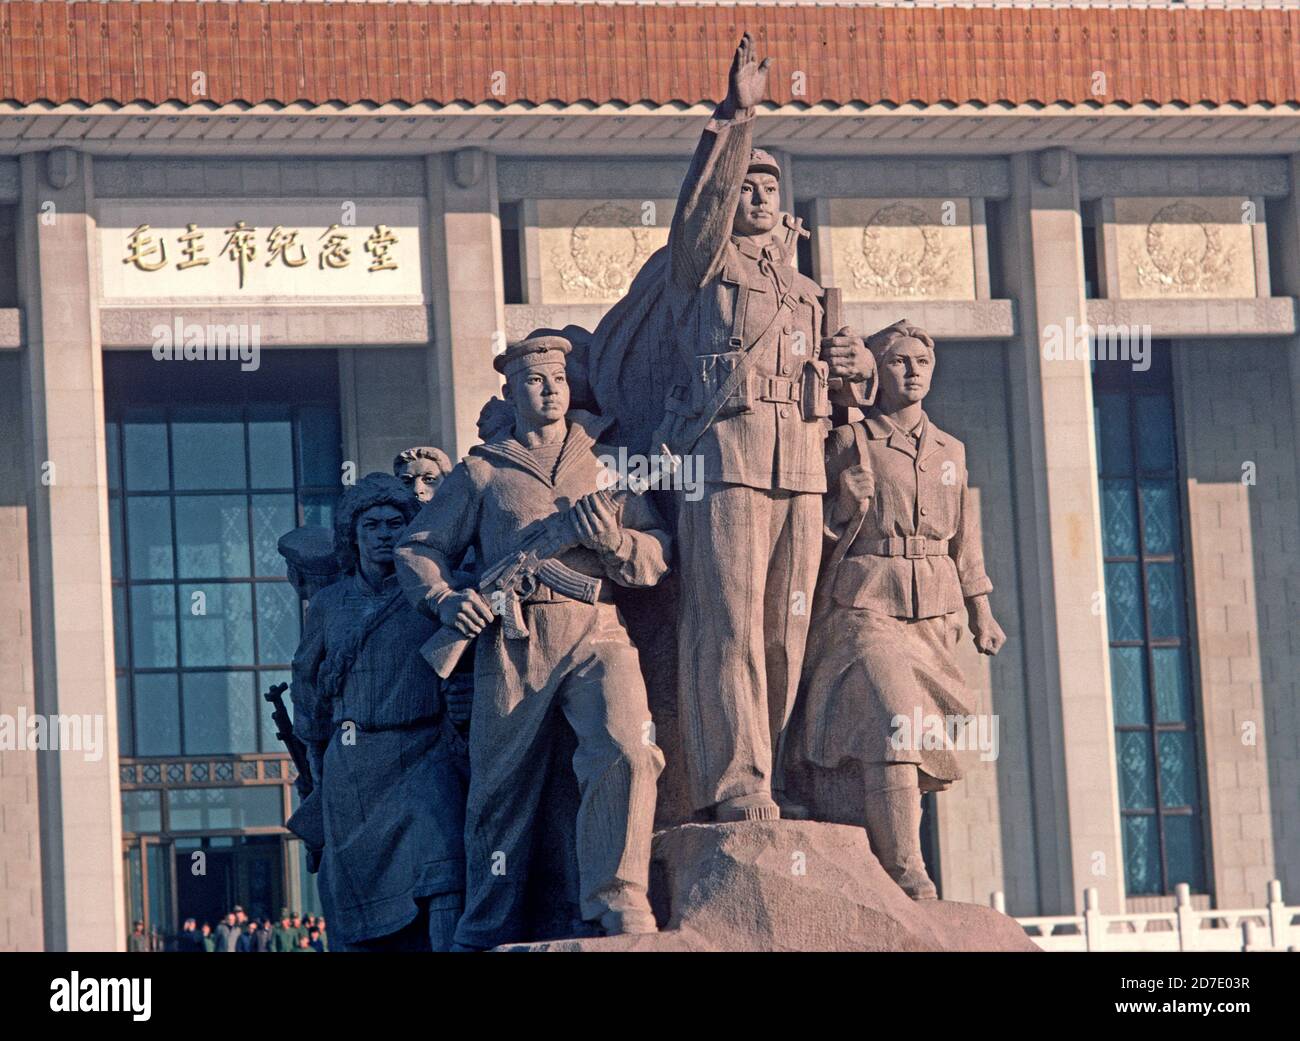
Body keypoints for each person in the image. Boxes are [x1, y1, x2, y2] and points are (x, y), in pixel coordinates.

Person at [572, 34, 875, 824]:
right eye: (747, 186)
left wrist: (854, 373)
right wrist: (736, 117)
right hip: (725, 458)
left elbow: (839, 399)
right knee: (728, 625)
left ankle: (771, 774)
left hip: (798, 465)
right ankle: (731, 782)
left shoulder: (808, 291)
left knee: (786, 630)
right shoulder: (701, 269)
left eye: (770, 186)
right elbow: (698, 211)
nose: (759, 197)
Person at [396, 334, 669, 949]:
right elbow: (418, 548)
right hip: (515, 639)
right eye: (535, 381)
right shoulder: (482, 471)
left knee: (627, 749)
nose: (550, 391)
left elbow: (655, 553)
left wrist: (615, 544)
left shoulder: (609, 463)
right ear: (510, 391)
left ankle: (619, 899)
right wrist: (444, 599)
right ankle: (486, 924)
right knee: (500, 790)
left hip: (598, 629)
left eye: (559, 379)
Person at [790, 321, 1006, 899]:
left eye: (922, 362)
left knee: (898, 735)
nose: (913, 372)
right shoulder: (848, 443)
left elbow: (966, 536)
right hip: (864, 602)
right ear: (876, 373)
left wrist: (980, 607)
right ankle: (907, 868)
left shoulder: (951, 451)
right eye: (899, 362)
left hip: (934, 611)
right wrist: (842, 505)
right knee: (895, 718)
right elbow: (800, 540)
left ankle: (877, 854)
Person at [295, 473, 467, 951]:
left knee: (443, 863)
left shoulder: (433, 592)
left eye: (396, 522)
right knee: (353, 896)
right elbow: (307, 681)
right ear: (353, 533)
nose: (385, 533)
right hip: (353, 766)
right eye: (372, 524)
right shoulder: (329, 604)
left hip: (422, 749)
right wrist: (312, 756)